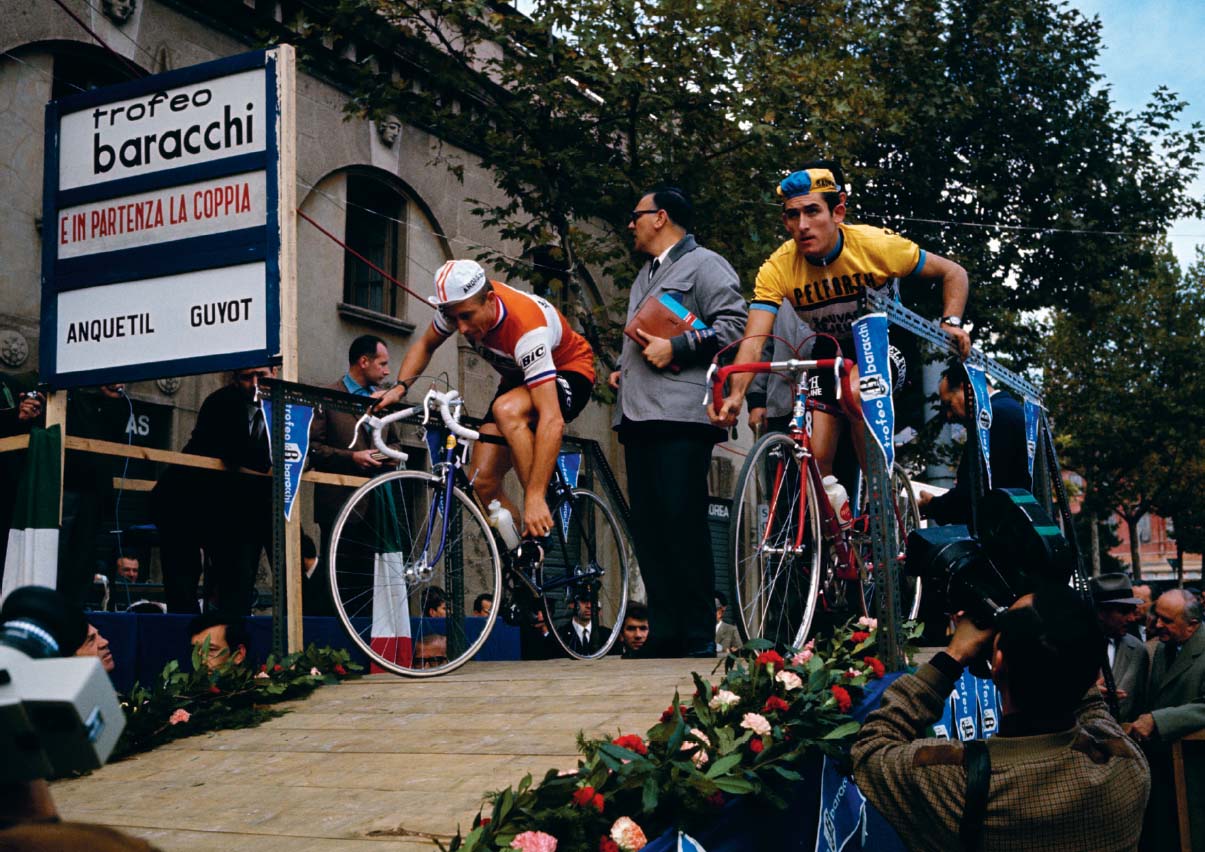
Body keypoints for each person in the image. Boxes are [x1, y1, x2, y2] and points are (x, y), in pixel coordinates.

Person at [710, 163, 971, 483]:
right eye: (794, 215)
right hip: (832, 344)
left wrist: (952, 321)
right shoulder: (778, 268)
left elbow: (954, 273)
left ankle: (878, 495)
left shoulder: (876, 246)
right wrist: (736, 395)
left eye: (812, 211)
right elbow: (753, 340)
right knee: (817, 455)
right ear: (786, 222)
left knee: (856, 389)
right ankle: (839, 523)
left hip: (883, 338)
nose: (803, 225)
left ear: (838, 212)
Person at [852, 583, 1149, 852]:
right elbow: (1092, 705)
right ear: (1092, 672)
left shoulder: (954, 781)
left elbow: (871, 747)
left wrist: (951, 657)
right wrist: (1059, 632)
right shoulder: (1126, 766)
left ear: (998, 661)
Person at [609, 186, 747, 657]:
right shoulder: (645, 273)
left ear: (660, 217)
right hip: (639, 415)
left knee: (681, 521)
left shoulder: (706, 264)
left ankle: (696, 635)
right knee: (649, 527)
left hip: (682, 416)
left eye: (637, 215)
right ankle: (664, 632)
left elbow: (735, 326)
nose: (631, 223)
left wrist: (679, 347)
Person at [376, 259, 595, 540]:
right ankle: (525, 552)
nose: (461, 328)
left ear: (490, 299)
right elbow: (425, 344)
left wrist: (535, 496)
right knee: (482, 482)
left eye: (466, 317)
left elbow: (552, 420)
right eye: (454, 319)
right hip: (519, 380)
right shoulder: (457, 307)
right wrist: (399, 388)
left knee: (506, 410)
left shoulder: (527, 329)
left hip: (570, 370)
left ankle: (540, 506)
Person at [152, 366, 276, 614]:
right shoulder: (221, 402)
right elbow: (238, 452)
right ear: (234, 379)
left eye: (261, 376)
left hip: (229, 502)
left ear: (275, 372)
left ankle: (229, 637)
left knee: (237, 577)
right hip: (185, 499)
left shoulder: (279, 407)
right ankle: (186, 636)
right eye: (246, 377)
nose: (254, 383)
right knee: (183, 578)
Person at [307, 335, 401, 615]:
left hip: (376, 507)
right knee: (337, 581)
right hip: (338, 505)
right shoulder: (327, 396)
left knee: (369, 587)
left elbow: (396, 447)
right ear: (364, 361)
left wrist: (378, 458)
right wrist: (352, 458)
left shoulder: (384, 401)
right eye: (382, 364)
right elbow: (312, 448)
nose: (386, 372)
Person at [1128, 589, 1205, 851]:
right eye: (1156, 616)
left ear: (1192, 626)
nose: (1157, 624)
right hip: (1164, 770)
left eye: (1167, 621)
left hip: (1195, 772)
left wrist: (1159, 720)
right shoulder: (1163, 648)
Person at [918, 361, 1031, 526]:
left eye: (949, 404)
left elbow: (974, 493)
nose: (949, 416)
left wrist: (933, 506)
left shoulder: (993, 418)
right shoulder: (1012, 411)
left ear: (966, 388)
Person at [1091, 572, 1148, 723]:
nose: (1132, 618)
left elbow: (1141, 702)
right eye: (1123, 611)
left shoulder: (1137, 650)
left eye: (1133, 610)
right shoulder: (1069, 645)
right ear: (1100, 612)